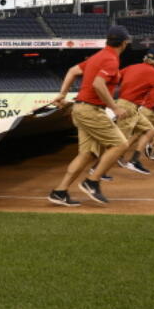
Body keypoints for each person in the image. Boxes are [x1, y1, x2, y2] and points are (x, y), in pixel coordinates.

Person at [47, 25, 134, 206]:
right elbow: (98, 84)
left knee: (87, 154)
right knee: (121, 144)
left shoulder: (98, 56)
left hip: (81, 109)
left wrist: (62, 94)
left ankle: (59, 192)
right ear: (124, 43)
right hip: (91, 110)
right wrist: (115, 108)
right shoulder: (111, 59)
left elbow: (72, 70)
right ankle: (92, 181)